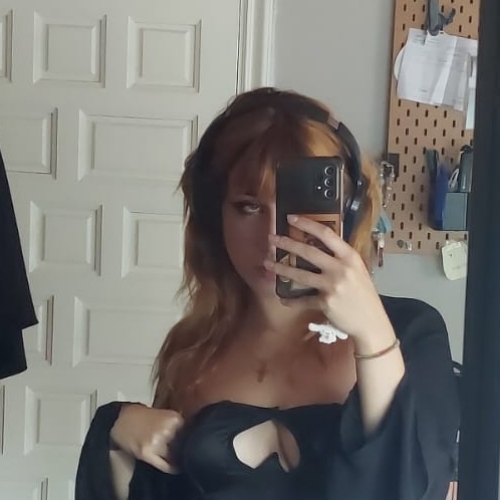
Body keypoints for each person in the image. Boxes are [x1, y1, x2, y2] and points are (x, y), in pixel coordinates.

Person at [75, 87, 459, 500]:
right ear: (214, 217)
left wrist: (373, 337)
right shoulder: (196, 351)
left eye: (297, 207)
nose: (273, 238)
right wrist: (113, 429)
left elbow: (419, 487)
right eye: (249, 207)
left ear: (346, 213)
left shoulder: (412, 332)